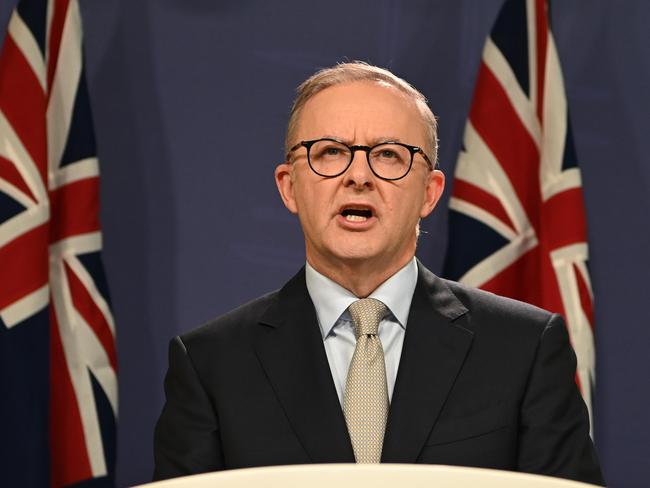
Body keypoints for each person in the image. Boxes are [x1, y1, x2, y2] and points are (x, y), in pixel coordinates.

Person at [153, 62, 604, 485]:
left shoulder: (524, 348)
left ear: (430, 192)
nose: (358, 176)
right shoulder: (211, 365)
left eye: (388, 155)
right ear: (289, 186)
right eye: (330, 152)